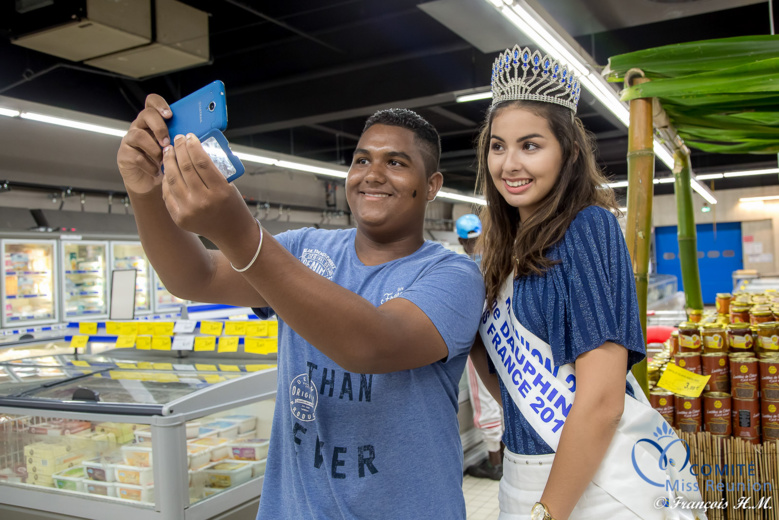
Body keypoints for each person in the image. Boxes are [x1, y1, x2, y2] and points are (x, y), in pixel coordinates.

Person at [117, 103, 485, 519]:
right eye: (362, 160)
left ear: (432, 185)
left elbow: (374, 344)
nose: (372, 174)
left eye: (396, 162)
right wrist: (144, 191)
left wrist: (239, 232)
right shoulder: (302, 250)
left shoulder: (454, 276)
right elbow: (195, 277)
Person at [469, 46, 705, 520]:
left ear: (570, 152)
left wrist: (547, 512)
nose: (509, 163)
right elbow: (508, 384)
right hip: (523, 476)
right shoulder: (497, 251)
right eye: (498, 146)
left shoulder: (587, 227)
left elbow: (602, 402)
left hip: (601, 485)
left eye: (530, 145)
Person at [456, 214, 504, 481]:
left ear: (461, 240)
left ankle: (494, 462)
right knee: (501, 398)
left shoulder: (463, 269)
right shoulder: (498, 260)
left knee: (484, 400)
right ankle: (505, 454)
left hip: (479, 342)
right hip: (501, 342)